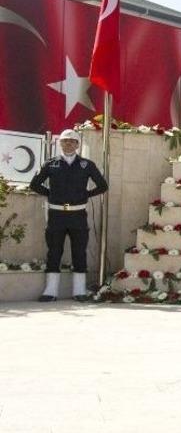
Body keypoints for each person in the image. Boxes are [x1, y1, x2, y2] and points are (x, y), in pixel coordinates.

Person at [29, 128, 108, 302]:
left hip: (78, 215)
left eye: (72, 141)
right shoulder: (50, 164)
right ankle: (50, 291)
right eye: (65, 141)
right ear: (60, 143)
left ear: (78, 144)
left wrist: (84, 195)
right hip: (56, 214)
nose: (68, 144)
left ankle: (79, 291)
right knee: (54, 251)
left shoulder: (86, 165)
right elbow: (34, 184)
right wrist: (51, 194)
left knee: (79, 252)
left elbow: (102, 185)